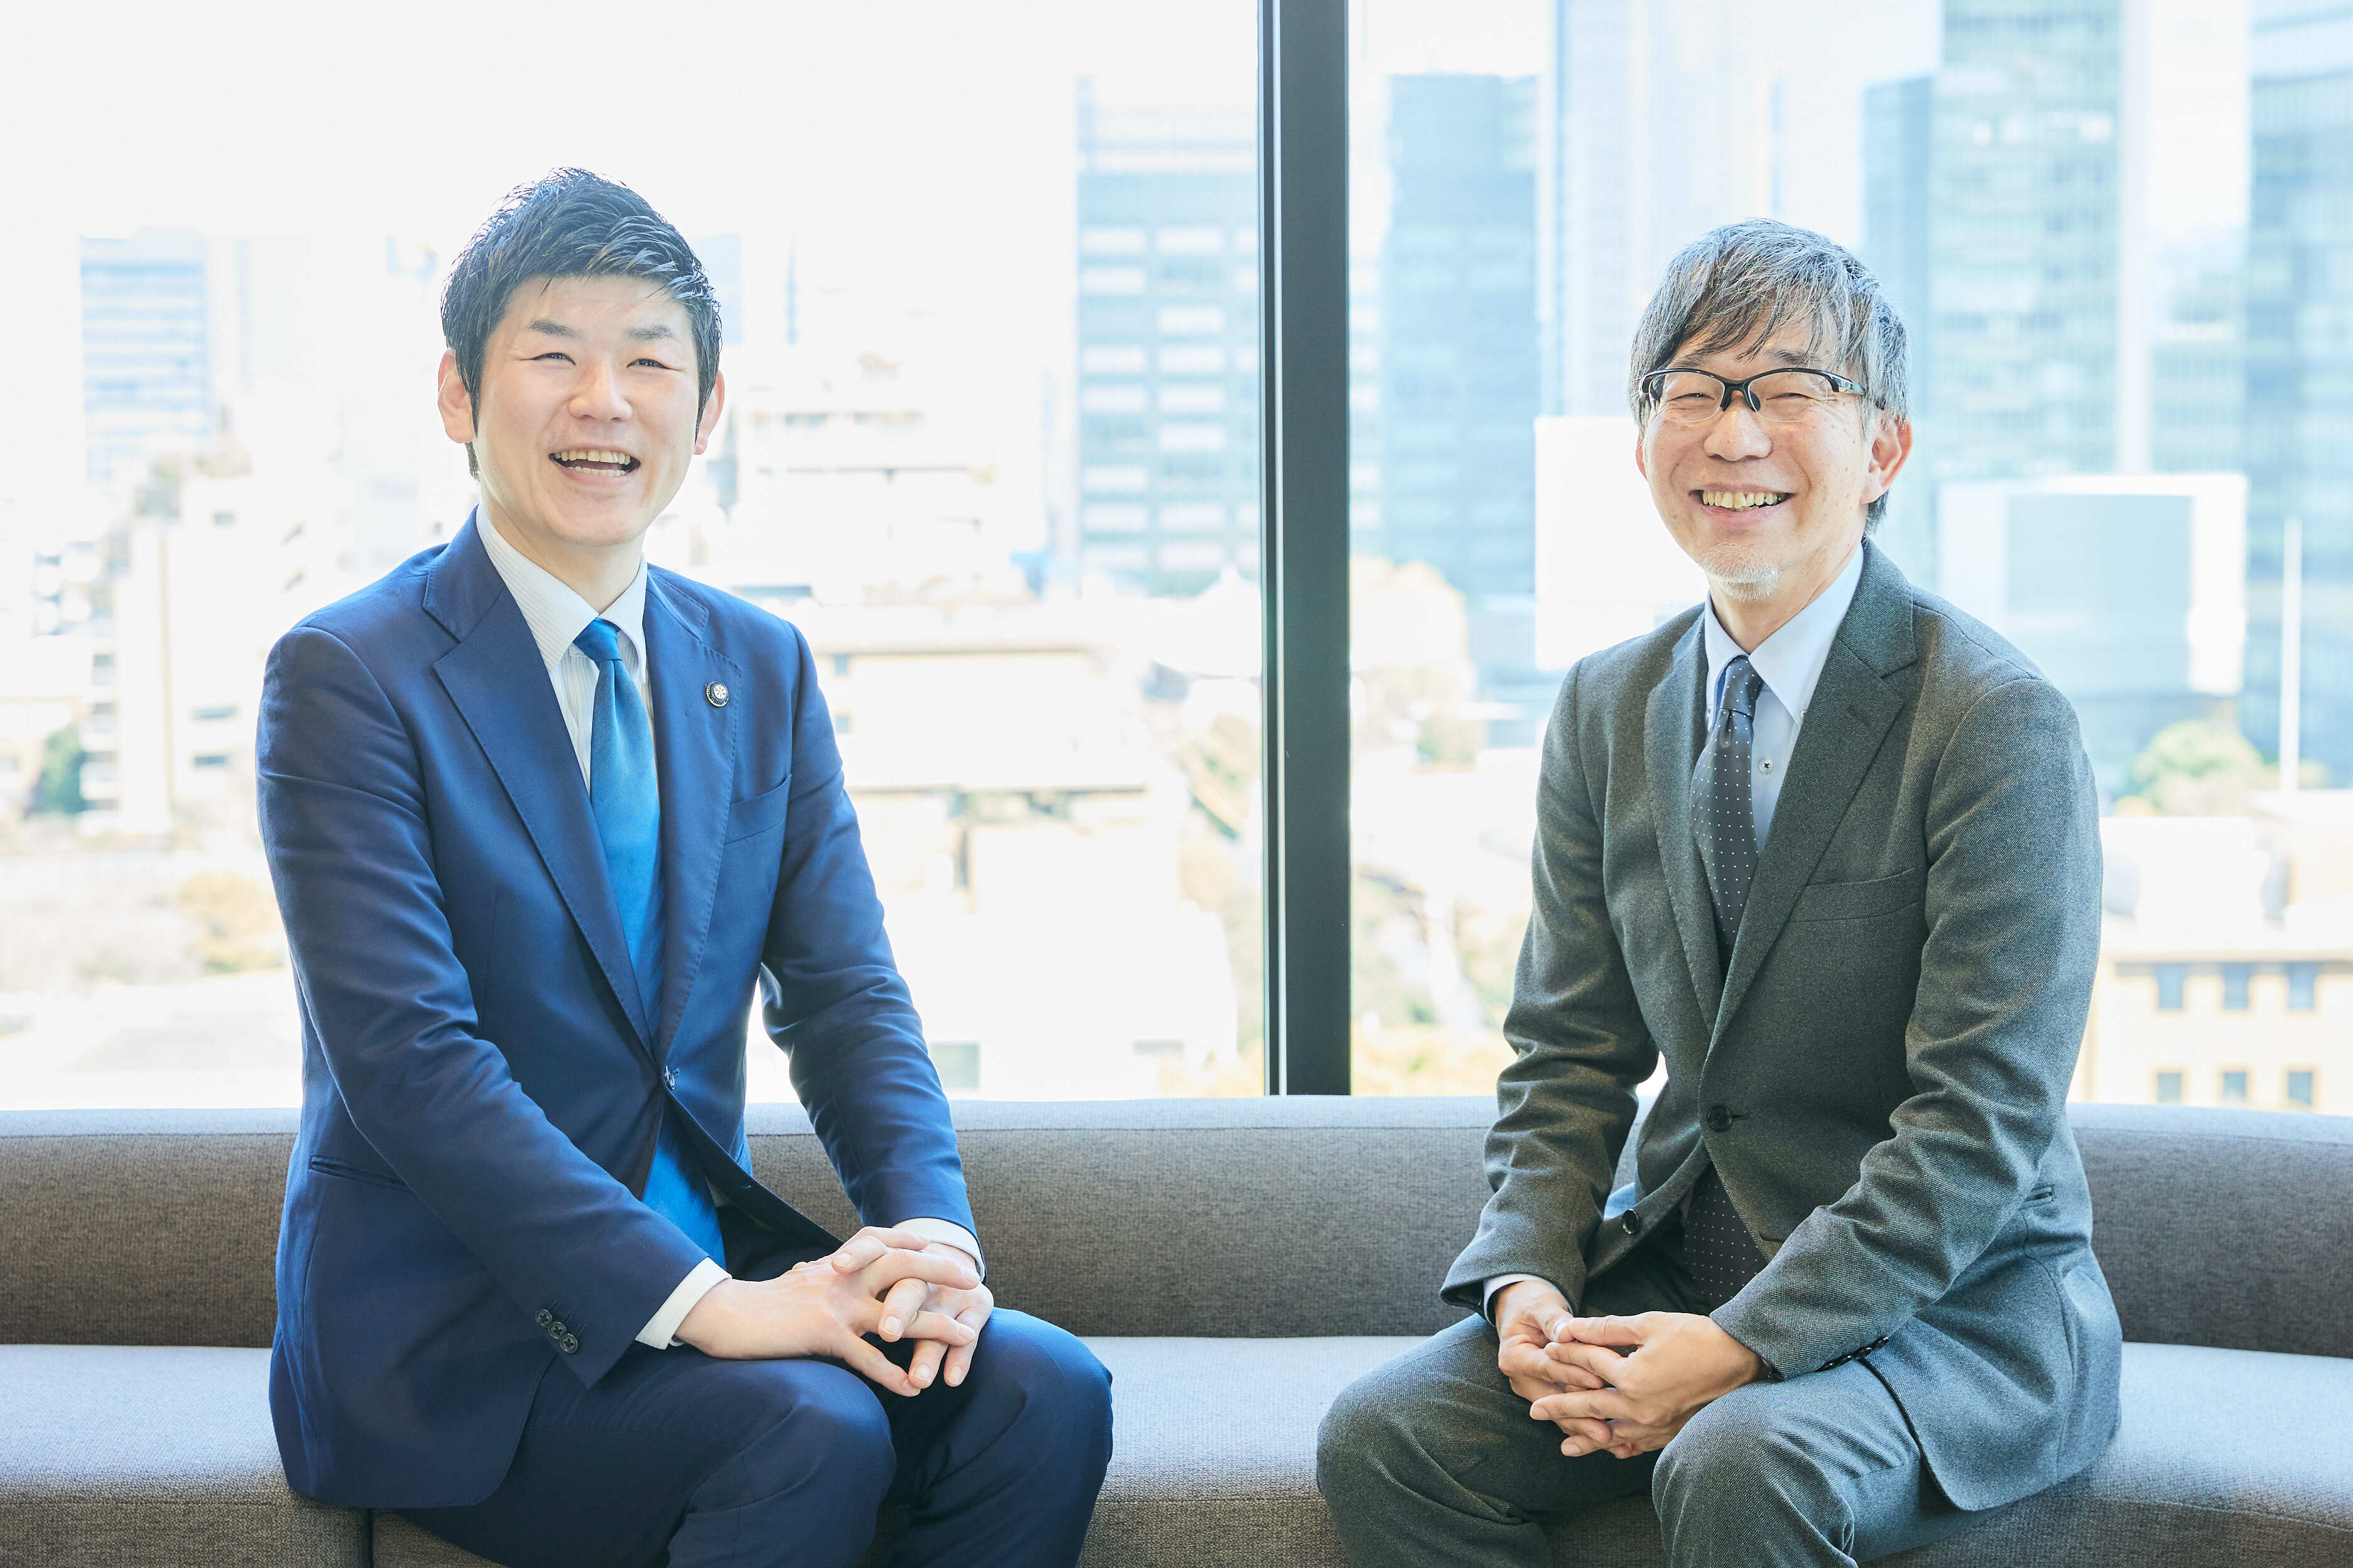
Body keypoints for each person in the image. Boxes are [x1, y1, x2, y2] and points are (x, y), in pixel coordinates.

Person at [257, 169, 1111, 1568]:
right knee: (807, 1430)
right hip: (463, 1340)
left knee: (1041, 1389)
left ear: (706, 412)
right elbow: (411, 1063)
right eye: (552, 356)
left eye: (649, 361)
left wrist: (933, 1239)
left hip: (714, 1276)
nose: (604, 401)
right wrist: (711, 1303)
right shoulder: (351, 674)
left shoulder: (757, 664)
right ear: (459, 396)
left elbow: (843, 996)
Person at [1316, 219, 2121, 1567]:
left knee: (1740, 1462)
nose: (1733, 435)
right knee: (1387, 1437)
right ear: (1642, 442)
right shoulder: (1605, 705)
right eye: (1691, 391)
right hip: (1682, 1255)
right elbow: (1567, 1052)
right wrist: (1528, 1272)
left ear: (1882, 450)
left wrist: (1745, 1344)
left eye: (1787, 391)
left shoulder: (1992, 720)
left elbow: (1980, 1120)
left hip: (1950, 1312)